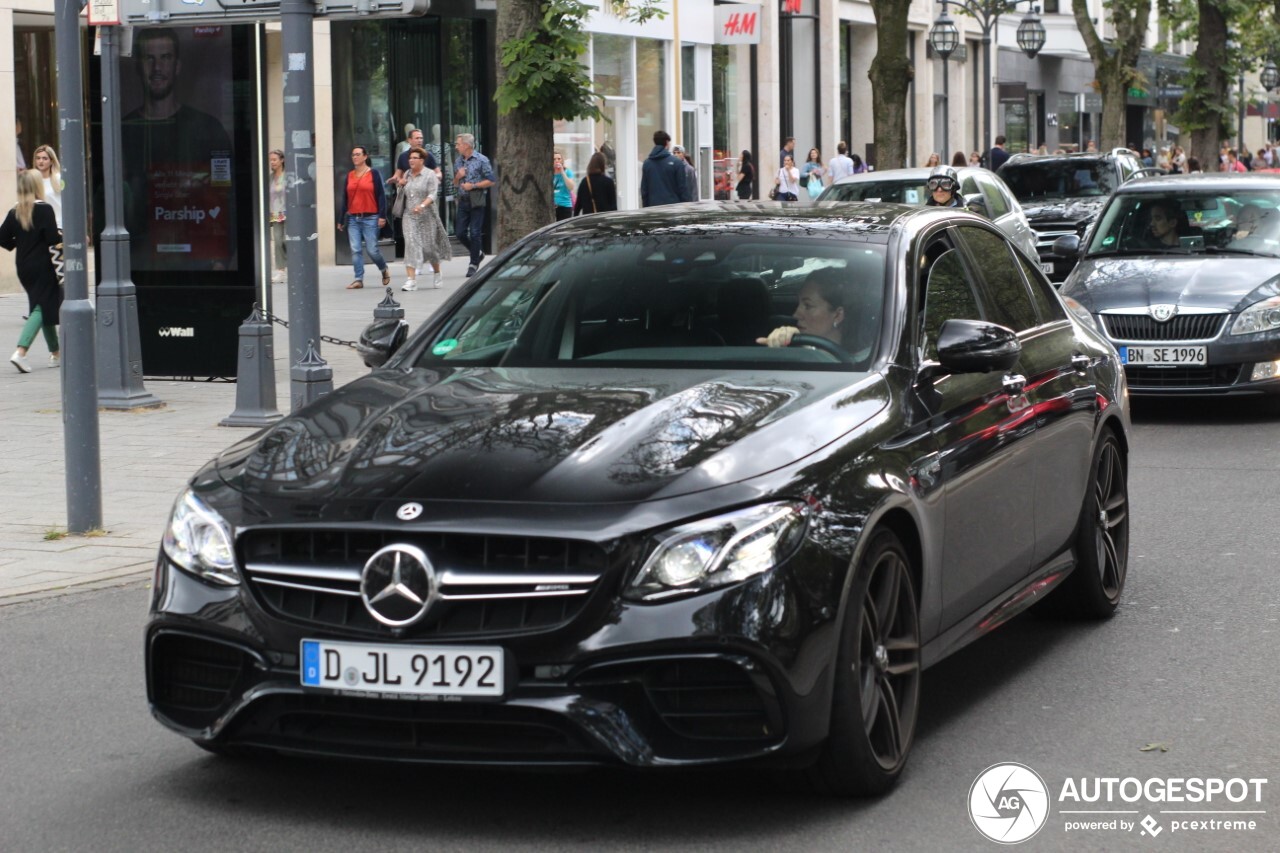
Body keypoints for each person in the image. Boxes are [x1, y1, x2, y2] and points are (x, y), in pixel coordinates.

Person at [121, 27, 235, 270]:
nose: (157, 67)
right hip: (141, 260)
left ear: (178, 66)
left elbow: (227, 197)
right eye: (149, 58)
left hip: (199, 257)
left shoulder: (208, 128)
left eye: (165, 57)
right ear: (138, 66)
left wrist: (220, 258)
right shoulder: (122, 131)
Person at [1, 171, 61, 373]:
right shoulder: (45, 209)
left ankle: (56, 353)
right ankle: (21, 351)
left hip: (24, 266)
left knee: (42, 304)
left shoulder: (15, 211)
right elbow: (53, 238)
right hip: (43, 264)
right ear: (37, 186)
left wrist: (20, 241)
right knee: (42, 306)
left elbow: (2, 239)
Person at [336, 145, 390, 289]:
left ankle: (383, 269)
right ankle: (358, 279)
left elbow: (381, 196)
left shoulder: (374, 174)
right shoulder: (349, 175)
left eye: (358, 154)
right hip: (353, 218)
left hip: (371, 217)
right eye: (353, 155)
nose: (355, 157)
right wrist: (341, 219)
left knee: (372, 250)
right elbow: (345, 198)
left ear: (365, 157)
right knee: (356, 249)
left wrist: (382, 216)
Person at [399, 147, 451, 291]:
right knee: (410, 243)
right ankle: (411, 280)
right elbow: (404, 192)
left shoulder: (430, 175)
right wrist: (400, 184)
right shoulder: (407, 174)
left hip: (427, 216)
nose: (411, 160)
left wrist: (422, 205)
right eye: (410, 158)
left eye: (414, 158)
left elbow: (433, 194)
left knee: (429, 248)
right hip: (409, 215)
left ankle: (437, 272)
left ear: (422, 160)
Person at [757, 269, 846, 349]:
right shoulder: (795, 345)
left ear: (837, 315)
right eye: (799, 303)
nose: (795, 315)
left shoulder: (858, 360)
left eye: (808, 306)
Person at [453, 132, 496, 277]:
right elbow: (454, 184)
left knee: (475, 232)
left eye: (458, 144)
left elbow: (491, 180)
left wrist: (474, 186)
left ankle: (473, 263)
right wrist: (457, 177)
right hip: (463, 201)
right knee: (460, 233)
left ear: (466, 145)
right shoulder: (458, 161)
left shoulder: (482, 160)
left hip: (476, 200)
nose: (456, 146)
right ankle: (477, 252)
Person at [640, 130, 691, 207]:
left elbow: (644, 190)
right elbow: (682, 189)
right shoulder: (676, 163)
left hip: (653, 208)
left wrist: (646, 208)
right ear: (667, 143)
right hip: (673, 208)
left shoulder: (647, 163)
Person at [268, 149, 287, 284]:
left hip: (288, 212)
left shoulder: (288, 176)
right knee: (278, 242)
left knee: (288, 240)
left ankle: (294, 266)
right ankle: (280, 270)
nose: (272, 162)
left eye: (275, 159)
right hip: (275, 213)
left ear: (282, 160)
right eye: (271, 160)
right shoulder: (270, 178)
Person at [32, 145, 62, 228]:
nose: (41, 161)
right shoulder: (32, 180)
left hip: (59, 224)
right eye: (38, 158)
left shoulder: (59, 178)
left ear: (52, 161)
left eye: (45, 158)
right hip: (40, 226)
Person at [552, 150, 577, 220]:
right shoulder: (549, 172)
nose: (557, 161)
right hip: (552, 207)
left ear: (562, 161)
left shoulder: (567, 172)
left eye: (559, 159)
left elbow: (571, 187)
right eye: (554, 159)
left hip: (565, 206)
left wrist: (562, 172)